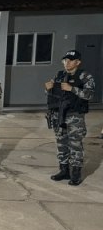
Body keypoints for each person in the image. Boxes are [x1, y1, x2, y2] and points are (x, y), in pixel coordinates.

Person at [45, 50, 95, 186]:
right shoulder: (59, 75)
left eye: (70, 60)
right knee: (61, 144)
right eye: (65, 60)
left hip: (75, 116)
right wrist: (47, 88)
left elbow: (89, 95)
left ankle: (76, 174)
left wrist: (72, 89)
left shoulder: (85, 76)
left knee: (75, 145)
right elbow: (51, 92)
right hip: (59, 115)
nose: (67, 63)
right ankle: (64, 170)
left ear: (78, 62)